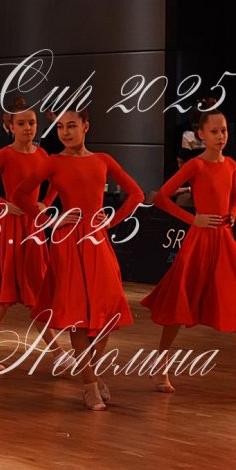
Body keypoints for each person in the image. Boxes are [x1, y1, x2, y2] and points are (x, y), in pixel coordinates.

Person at [141, 109, 236, 401]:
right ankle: (160, 367)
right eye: (214, 131)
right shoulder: (195, 165)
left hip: (223, 242)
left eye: (223, 131)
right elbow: (160, 197)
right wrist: (192, 219)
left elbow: (235, 196)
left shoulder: (230, 164)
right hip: (199, 243)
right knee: (179, 307)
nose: (220, 136)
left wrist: (231, 215)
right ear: (201, 134)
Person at [12, 109, 145, 411]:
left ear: (86, 126)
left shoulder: (103, 160)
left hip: (97, 241)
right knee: (78, 316)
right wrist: (51, 219)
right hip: (68, 242)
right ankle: (89, 385)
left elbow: (136, 194)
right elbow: (20, 195)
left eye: (71, 126)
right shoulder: (54, 162)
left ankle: (91, 375)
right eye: (60, 127)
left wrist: (110, 221)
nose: (66, 132)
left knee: (108, 312)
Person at [0, 109, 74, 373]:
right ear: (11, 127)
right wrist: (2, 203)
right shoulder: (6, 154)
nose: (28, 128)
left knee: (35, 291)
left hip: (33, 226)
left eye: (32, 123)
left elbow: (57, 181)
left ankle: (55, 353)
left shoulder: (42, 154)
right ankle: (56, 353)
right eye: (22, 123)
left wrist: (46, 202)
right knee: (8, 293)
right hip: (13, 226)